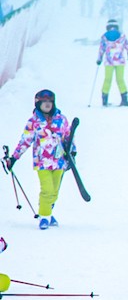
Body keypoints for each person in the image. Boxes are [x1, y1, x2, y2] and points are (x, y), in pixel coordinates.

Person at [4, 90, 73, 230]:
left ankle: (47, 212)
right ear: (38, 103)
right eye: (44, 102)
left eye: (50, 102)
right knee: (47, 190)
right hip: (42, 162)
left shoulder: (61, 119)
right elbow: (25, 141)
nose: (47, 105)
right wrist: (14, 157)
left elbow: (68, 136)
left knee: (54, 192)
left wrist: (73, 152)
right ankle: (44, 217)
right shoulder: (33, 122)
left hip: (59, 161)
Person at [97, 19, 128, 106]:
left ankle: (104, 99)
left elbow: (101, 49)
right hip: (120, 61)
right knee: (120, 79)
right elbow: (127, 46)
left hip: (109, 62)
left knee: (107, 79)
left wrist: (99, 59)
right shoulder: (122, 36)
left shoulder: (104, 37)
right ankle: (124, 99)